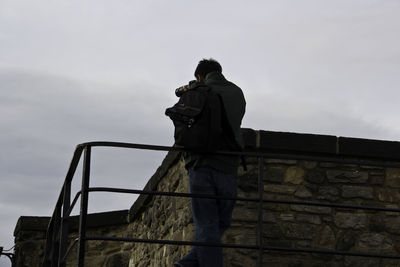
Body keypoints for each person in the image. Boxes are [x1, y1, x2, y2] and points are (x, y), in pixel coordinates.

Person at [175, 59, 246, 267]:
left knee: (206, 225)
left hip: (201, 164)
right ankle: (187, 264)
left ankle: (189, 264)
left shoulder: (197, 91)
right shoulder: (237, 92)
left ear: (200, 76)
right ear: (219, 72)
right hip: (228, 165)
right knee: (221, 222)